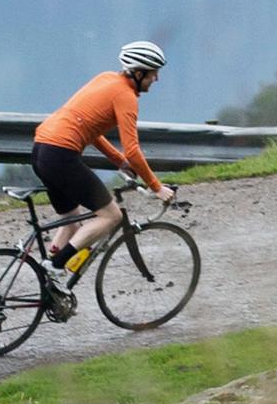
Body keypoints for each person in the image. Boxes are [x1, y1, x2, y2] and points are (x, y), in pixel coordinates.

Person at [31, 41, 177, 313]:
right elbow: (133, 149)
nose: (156, 78)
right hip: (61, 154)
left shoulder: (105, 78)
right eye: (153, 72)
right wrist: (156, 187)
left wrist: (117, 161)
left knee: (71, 220)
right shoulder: (126, 97)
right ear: (138, 73)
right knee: (111, 217)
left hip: (41, 149)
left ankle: (48, 284)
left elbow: (92, 129)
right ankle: (55, 266)